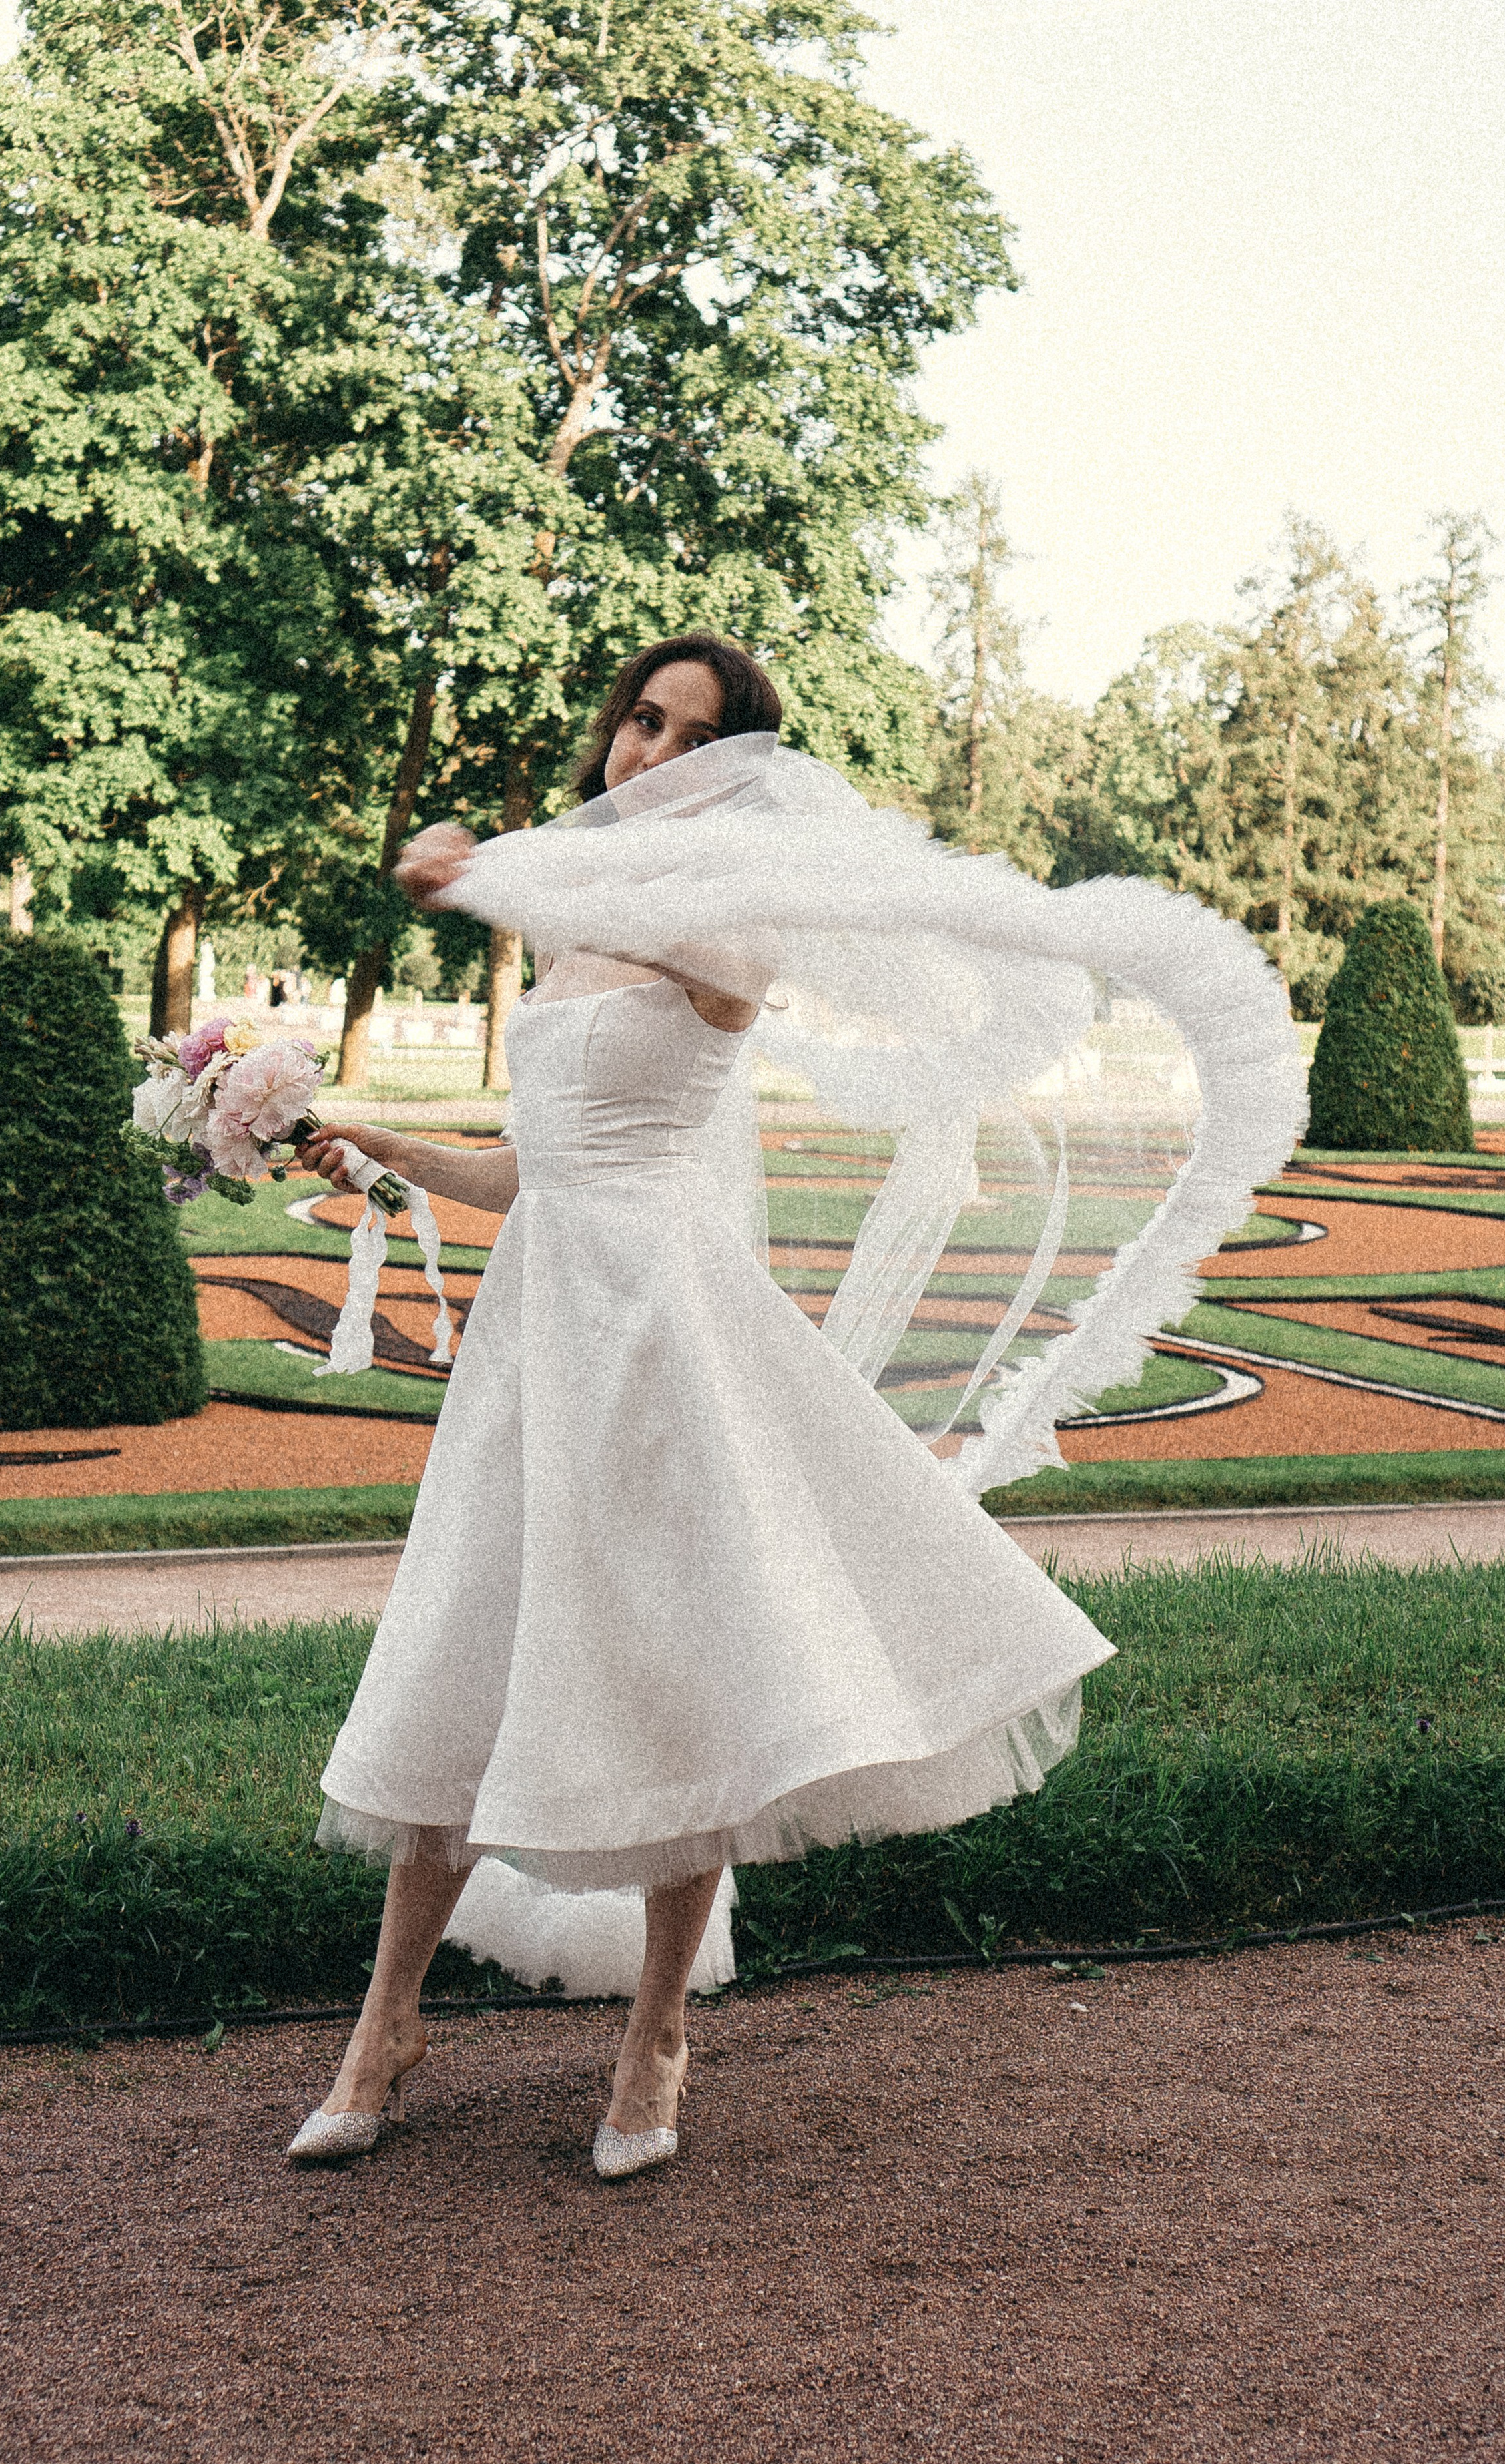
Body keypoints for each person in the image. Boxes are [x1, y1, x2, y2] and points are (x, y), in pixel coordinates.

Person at [288, 634, 1122, 2182]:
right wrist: (372, 1140)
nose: (647, 755)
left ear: (735, 773)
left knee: (682, 1658)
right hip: (546, 1321)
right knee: (466, 1634)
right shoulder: (566, 940)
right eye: (637, 723)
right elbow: (534, 1172)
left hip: (667, 1330)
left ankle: (654, 2035)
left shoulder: (717, 918)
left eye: (687, 737)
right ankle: (381, 2027)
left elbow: (729, 993)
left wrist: (502, 877)